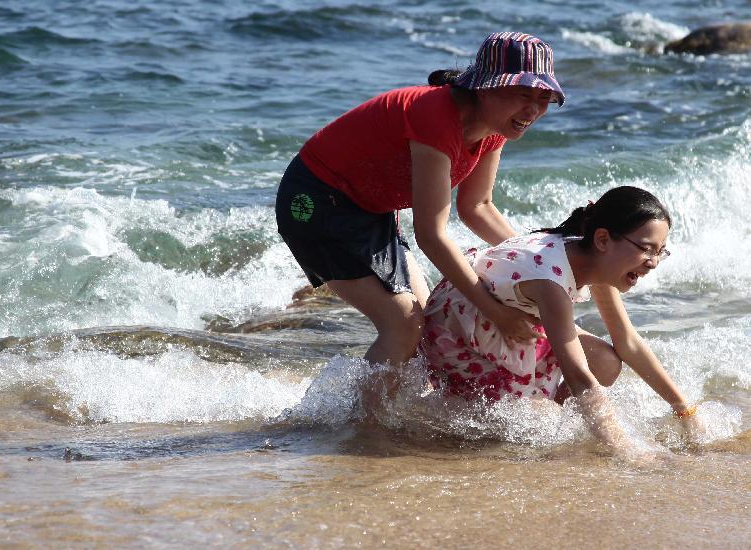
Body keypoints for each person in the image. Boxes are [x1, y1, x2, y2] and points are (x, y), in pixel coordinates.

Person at [275, 32, 562, 404]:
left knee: (431, 322)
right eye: (524, 95)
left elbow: (477, 207)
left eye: (543, 99)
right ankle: (364, 429)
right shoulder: (436, 118)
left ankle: (409, 410)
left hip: (370, 209)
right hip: (314, 200)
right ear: (484, 88)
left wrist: (537, 266)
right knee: (403, 323)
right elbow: (431, 235)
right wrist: (494, 310)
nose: (533, 110)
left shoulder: (494, 128)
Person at [420, 186, 702, 451]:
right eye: (645, 248)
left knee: (604, 362)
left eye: (659, 251)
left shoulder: (597, 262)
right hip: (460, 331)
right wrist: (628, 451)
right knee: (537, 424)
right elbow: (578, 376)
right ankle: (454, 404)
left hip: (513, 324)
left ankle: (550, 406)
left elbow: (627, 341)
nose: (652, 262)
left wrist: (683, 409)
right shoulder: (552, 281)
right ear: (603, 239)